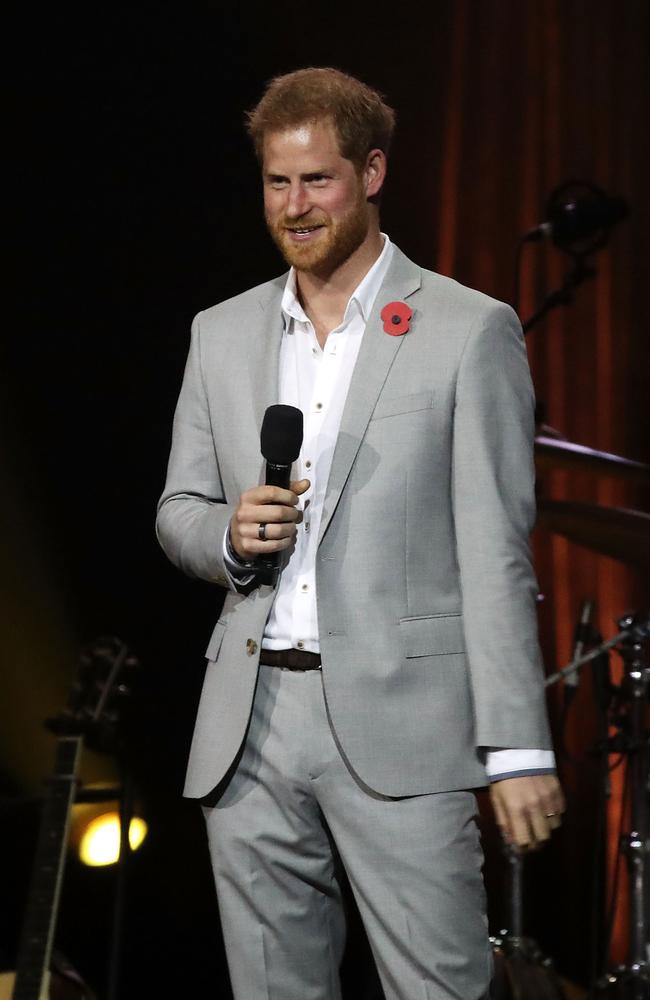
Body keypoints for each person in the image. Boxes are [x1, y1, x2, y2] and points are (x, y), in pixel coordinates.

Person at [156, 67, 565, 1000]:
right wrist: (228, 532)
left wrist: (518, 747)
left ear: (372, 174)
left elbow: (497, 552)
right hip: (249, 731)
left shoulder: (467, 330)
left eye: (318, 180)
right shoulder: (219, 333)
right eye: (276, 182)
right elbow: (176, 510)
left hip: (406, 728)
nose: (295, 207)